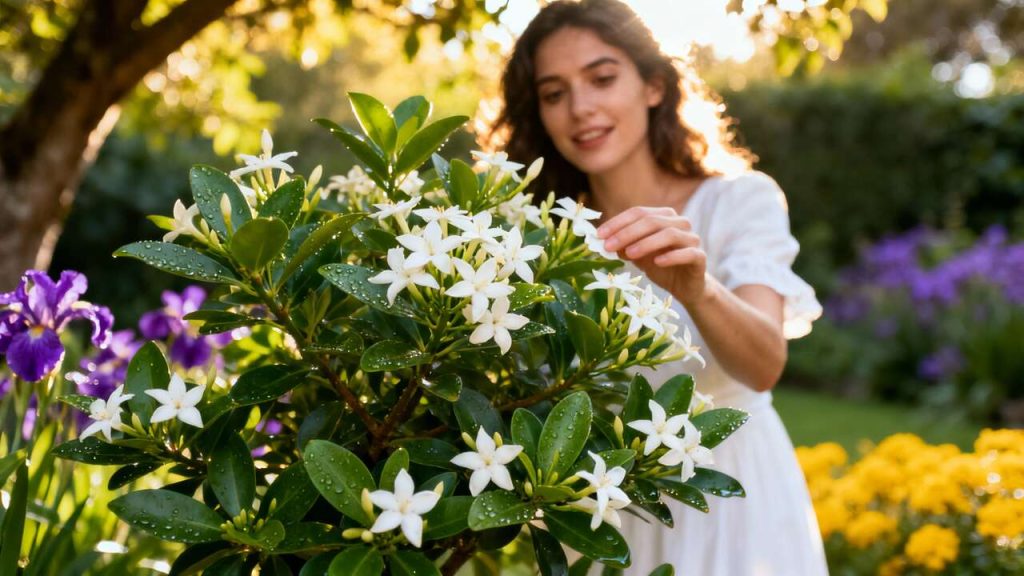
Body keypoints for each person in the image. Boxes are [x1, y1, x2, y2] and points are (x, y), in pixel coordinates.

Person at [485, 1, 829, 574]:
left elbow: (765, 363)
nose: (581, 108)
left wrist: (698, 289)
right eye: (553, 93)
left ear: (652, 85)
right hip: (604, 515)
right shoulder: (535, 243)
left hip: (734, 504)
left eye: (601, 78)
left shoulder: (738, 201)